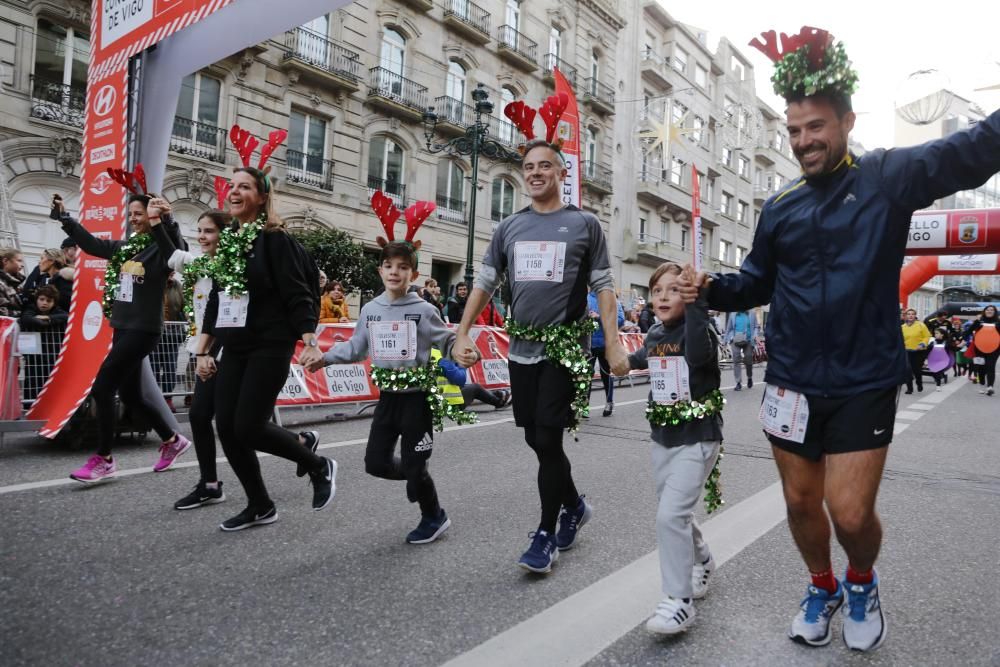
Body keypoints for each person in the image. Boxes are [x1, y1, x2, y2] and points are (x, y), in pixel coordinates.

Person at [679, 26, 1000, 652]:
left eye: (816, 128)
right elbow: (755, 281)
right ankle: (821, 585)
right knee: (801, 506)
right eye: (794, 131)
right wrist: (711, 289)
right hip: (792, 381)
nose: (804, 142)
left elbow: (975, 148)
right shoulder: (780, 207)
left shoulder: (889, 177)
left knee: (849, 512)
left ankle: (859, 580)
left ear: (847, 121)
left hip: (864, 378)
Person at [452, 123, 629, 574]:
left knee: (548, 435)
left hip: (565, 348)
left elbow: (605, 288)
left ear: (560, 171)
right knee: (535, 436)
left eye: (544, 166)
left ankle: (546, 533)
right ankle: (574, 505)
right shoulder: (510, 226)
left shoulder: (584, 224)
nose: (534, 173)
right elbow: (486, 282)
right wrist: (462, 332)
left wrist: (612, 346)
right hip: (521, 348)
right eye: (528, 167)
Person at [198, 148, 335, 531]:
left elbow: (298, 294)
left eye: (245, 187)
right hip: (236, 345)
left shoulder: (275, 240)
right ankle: (259, 504)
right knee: (225, 426)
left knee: (249, 426)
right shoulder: (227, 245)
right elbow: (216, 299)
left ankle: (316, 463)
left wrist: (309, 338)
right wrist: (204, 349)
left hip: (270, 343)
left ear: (261, 197)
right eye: (232, 185)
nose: (235, 191)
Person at [308, 238, 460, 545]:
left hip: (417, 400)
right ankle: (416, 473)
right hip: (388, 399)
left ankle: (434, 516)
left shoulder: (424, 309)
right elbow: (356, 347)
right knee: (375, 463)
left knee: (416, 467)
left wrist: (462, 349)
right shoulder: (371, 309)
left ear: (413, 275)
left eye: (403, 267)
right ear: (380, 271)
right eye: (389, 266)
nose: (395, 272)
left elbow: (447, 341)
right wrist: (324, 358)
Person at [52, 188, 193, 483]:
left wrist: (166, 220)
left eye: (139, 214)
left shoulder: (160, 247)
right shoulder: (127, 247)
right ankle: (172, 440)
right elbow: (91, 244)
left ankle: (104, 459)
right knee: (130, 394)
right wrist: (65, 218)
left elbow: (177, 251)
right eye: (130, 215)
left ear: (151, 215)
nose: (133, 220)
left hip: (144, 329)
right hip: (123, 326)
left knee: (103, 387)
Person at [627, 263, 723, 635]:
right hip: (663, 439)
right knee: (675, 513)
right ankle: (702, 559)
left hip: (698, 437)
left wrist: (696, 304)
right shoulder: (653, 333)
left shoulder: (700, 331)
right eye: (657, 291)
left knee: (669, 517)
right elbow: (637, 360)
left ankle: (678, 601)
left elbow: (698, 357)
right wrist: (617, 358)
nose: (663, 297)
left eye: (673, 290)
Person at [150, 209, 232, 510]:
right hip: (205, 351)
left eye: (209, 231)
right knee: (201, 417)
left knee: (239, 426)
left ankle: (305, 451)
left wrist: (209, 353)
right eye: (199, 230)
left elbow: (225, 317)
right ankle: (209, 484)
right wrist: (159, 222)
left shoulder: (230, 267)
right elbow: (172, 254)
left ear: (225, 235)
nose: (201, 237)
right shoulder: (200, 264)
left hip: (225, 351)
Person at [18, 284, 67, 401]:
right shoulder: (31, 308)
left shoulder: (57, 311)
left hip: (52, 354)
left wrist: (47, 318)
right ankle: (29, 406)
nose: (44, 303)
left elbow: (66, 316)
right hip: (33, 357)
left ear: (54, 303)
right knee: (32, 382)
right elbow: (26, 318)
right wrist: (42, 322)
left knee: (50, 381)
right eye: (41, 299)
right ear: (37, 300)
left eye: (49, 301)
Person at [587, 290, 624, 416]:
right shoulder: (585, 298)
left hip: (606, 344)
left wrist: (599, 317)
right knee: (585, 375)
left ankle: (609, 402)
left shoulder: (611, 298)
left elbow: (620, 320)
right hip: (588, 344)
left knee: (606, 374)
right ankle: (583, 405)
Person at [724, 310, 759, 391]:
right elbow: (729, 328)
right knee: (736, 359)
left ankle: (749, 377)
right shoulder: (733, 314)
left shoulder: (752, 313)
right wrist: (725, 340)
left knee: (748, 359)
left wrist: (755, 335)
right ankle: (738, 383)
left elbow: (756, 326)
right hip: (736, 340)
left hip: (748, 341)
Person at [970, 305, 1000, 395]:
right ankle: (982, 385)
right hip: (979, 348)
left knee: (990, 367)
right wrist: (961, 339)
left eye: (992, 310)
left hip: (995, 349)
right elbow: (968, 331)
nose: (990, 311)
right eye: (988, 310)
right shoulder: (979, 321)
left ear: (995, 312)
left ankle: (990, 387)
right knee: (981, 368)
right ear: (985, 311)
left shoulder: (998, 322)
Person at [901, 308, 931, 394]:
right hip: (906, 351)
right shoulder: (902, 327)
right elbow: (899, 339)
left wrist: (922, 344)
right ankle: (909, 388)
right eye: (908, 314)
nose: (910, 315)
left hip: (918, 351)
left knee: (916, 370)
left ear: (915, 316)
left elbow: (927, 336)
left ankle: (919, 383)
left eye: (912, 314)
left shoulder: (921, 325)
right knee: (907, 370)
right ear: (906, 316)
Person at [0, 248, 25, 317]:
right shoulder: (1, 283)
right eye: (19, 261)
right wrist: (25, 316)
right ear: (5, 261)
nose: (22, 265)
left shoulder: (16, 282)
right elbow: (2, 312)